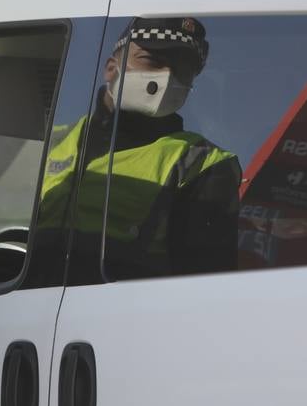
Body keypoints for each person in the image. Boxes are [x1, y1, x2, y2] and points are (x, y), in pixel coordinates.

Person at [39, 17, 242, 280]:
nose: (167, 77)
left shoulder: (204, 164)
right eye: (152, 61)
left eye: (181, 71)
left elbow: (202, 287)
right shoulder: (52, 141)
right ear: (112, 69)